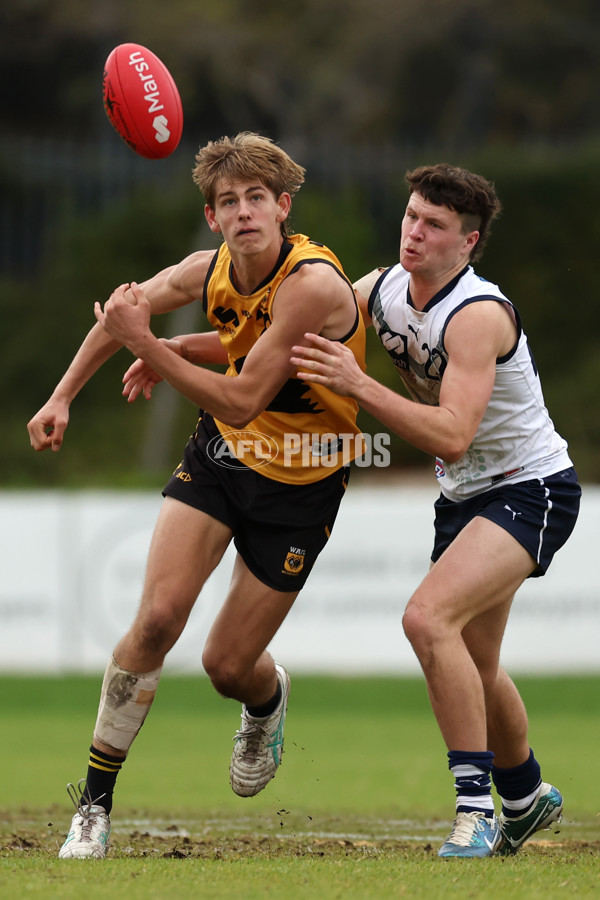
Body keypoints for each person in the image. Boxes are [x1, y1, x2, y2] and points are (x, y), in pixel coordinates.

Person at [27, 132, 366, 859]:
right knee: (154, 622)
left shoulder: (310, 283)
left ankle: (265, 701)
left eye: (255, 199)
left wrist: (155, 348)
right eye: (227, 202)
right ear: (212, 218)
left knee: (225, 667)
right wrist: (61, 398)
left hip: (303, 482)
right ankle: (92, 805)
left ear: (283, 208)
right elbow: (124, 313)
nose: (243, 213)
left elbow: (243, 395)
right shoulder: (204, 269)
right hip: (220, 459)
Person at [290, 163, 581, 859]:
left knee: (427, 619)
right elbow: (293, 337)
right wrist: (175, 351)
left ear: (468, 243)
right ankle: (525, 797)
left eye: (435, 226)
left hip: (529, 487)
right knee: (475, 664)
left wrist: (358, 383)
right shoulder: (383, 287)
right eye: (412, 216)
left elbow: (451, 432)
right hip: (465, 496)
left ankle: (475, 809)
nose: (415, 233)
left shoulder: (477, 315)